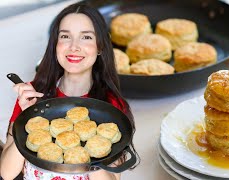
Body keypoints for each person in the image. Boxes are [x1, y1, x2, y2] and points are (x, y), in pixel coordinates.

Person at [0, 2, 139, 180]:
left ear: (100, 46)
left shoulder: (110, 107)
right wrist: (25, 117)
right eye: (65, 36)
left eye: (86, 37)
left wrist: (93, 152)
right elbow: (7, 173)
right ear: (55, 44)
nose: (74, 46)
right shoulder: (33, 93)